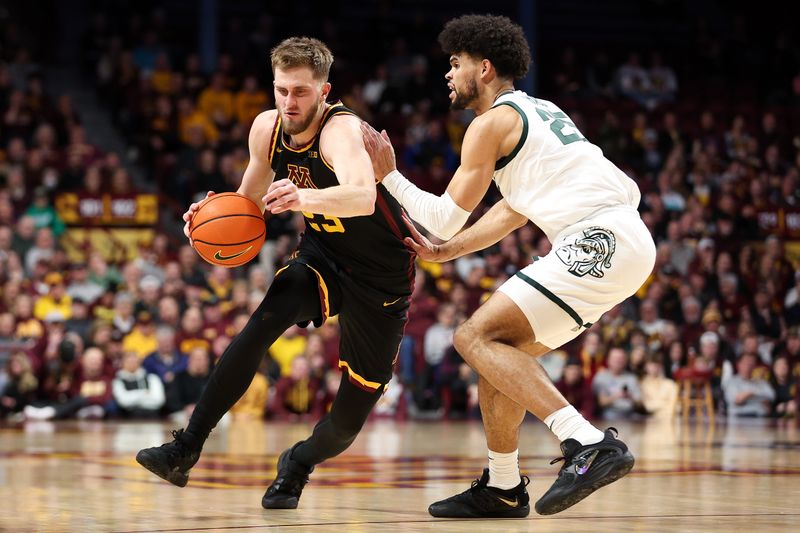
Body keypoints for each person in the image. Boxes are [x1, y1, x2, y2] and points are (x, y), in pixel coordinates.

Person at [361, 14, 655, 518]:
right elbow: (513, 208)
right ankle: (501, 486)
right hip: (622, 240)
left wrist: (388, 175)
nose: (448, 74)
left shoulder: (490, 123)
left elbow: (443, 216)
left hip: (597, 235)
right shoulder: (539, 112)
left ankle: (586, 442)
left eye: (456, 64)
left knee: (471, 338)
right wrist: (449, 253)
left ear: (485, 66)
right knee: (498, 353)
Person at [135, 37, 415, 511]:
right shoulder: (266, 129)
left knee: (346, 425)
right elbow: (246, 202)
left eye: (301, 92)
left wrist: (303, 199)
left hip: (381, 278)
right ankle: (185, 448)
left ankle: (298, 462)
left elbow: (362, 195)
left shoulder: (340, 131)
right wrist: (207, 216)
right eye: (282, 90)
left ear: (325, 91)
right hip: (322, 255)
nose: (289, 102)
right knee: (265, 317)